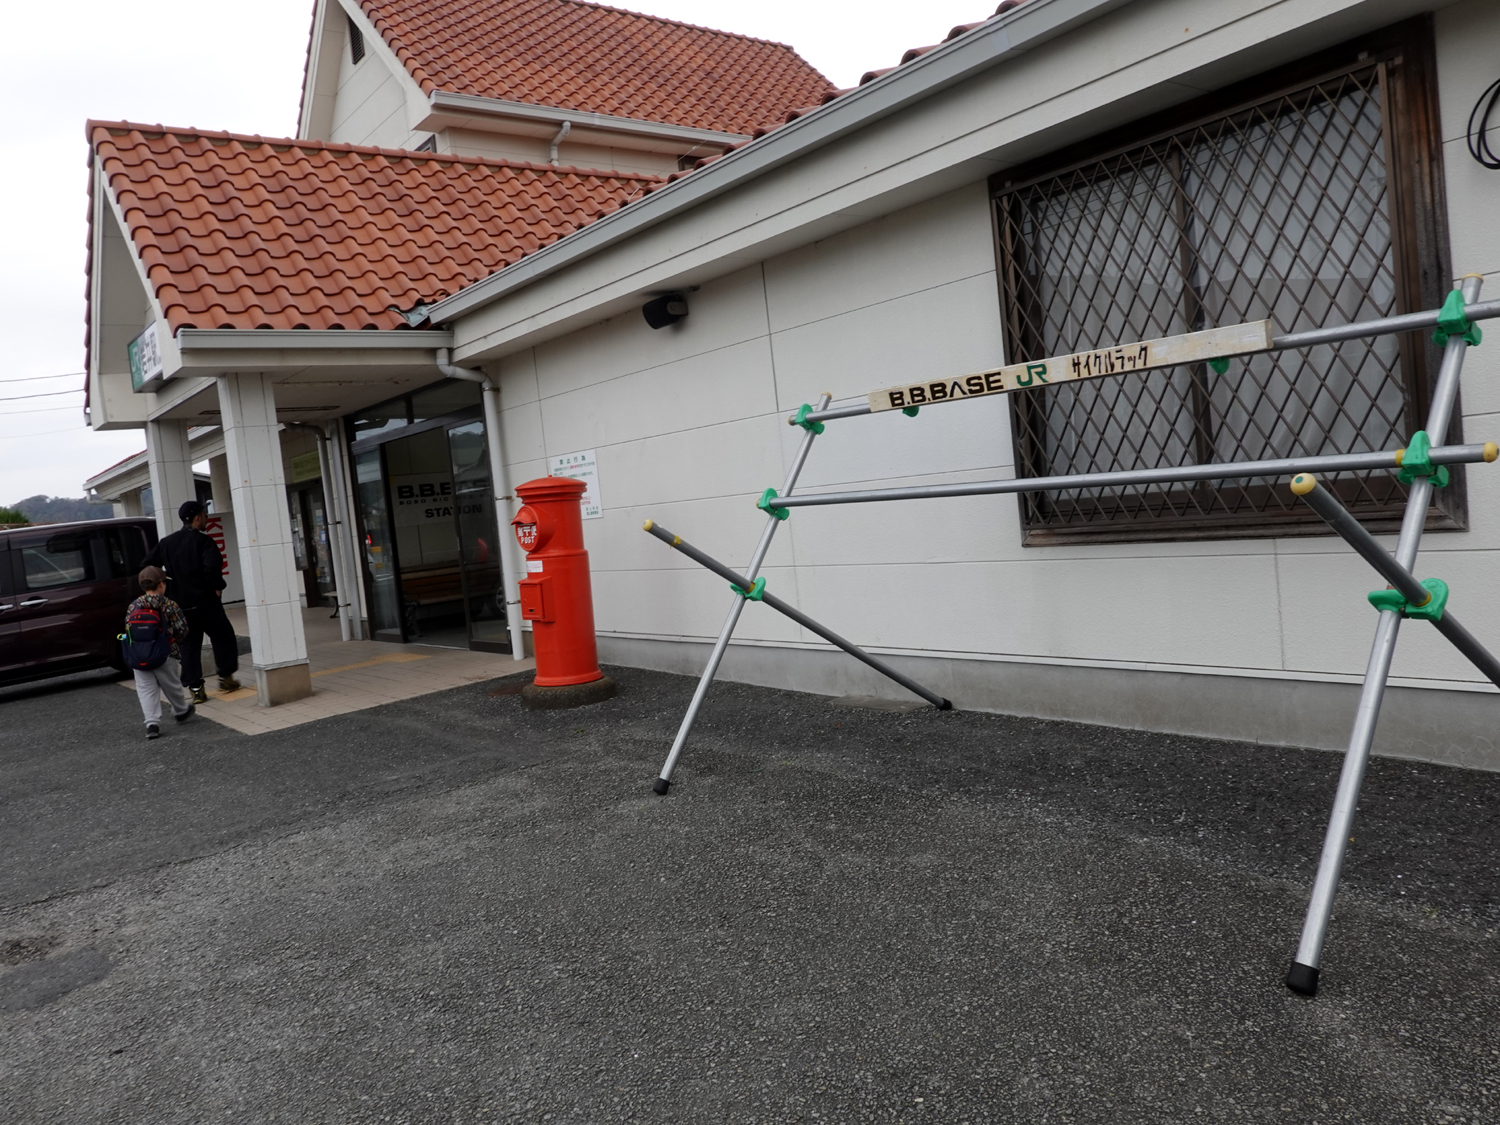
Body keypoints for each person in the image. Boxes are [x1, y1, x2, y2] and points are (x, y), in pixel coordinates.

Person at [142, 499, 241, 704]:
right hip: (206, 601)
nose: (206, 519)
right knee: (223, 636)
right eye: (205, 516)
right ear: (197, 518)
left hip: (180, 605)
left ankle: (196, 690)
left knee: (189, 646)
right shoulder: (204, 542)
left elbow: (147, 565)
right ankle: (226, 677)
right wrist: (217, 587)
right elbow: (212, 568)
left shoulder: (167, 543)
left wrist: (167, 581)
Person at [125, 566, 195, 739]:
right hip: (164, 652)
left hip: (139, 654)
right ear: (161, 584)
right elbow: (182, 630)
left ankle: (152, 724)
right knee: (171, 684)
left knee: (145, 688)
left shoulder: (134, 606)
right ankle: (181, 710)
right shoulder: (169, 605)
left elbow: (128, 628)